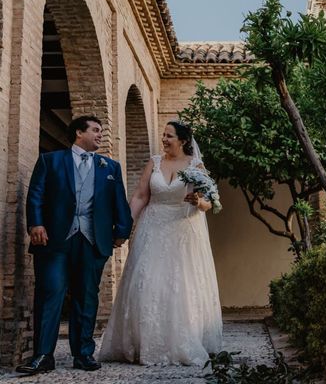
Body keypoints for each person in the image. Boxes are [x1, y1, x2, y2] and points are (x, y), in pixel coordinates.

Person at [99, 121, 223, 365]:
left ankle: (181, 341)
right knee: (147, 281)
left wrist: (198, 201)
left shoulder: (195, 165)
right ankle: (144, 343)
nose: (164, 139)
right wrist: (125, 225)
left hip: (182, 230)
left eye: (169, 136)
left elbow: (209, 203)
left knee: (180, 284)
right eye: (163, 135)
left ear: (183, 140)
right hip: (152, 228)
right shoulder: (154, 162)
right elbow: (141, 196)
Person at [16, 116, 132, 375]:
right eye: (95, 130)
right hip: (54, 240)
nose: (101, 135)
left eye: (101, 131)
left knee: (87, 297)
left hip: (92, 241)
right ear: (79, 132)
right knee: (50, 294)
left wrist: (122, 231)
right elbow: (36, 193)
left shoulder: (110, 167)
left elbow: (118, 201)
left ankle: (83, 354)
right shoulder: (50, 160)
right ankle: (43, 355)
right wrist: (36, 223)